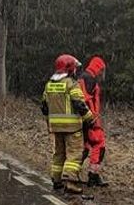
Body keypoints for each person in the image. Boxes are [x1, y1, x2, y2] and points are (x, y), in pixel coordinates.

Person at [41, 54, 94, 194]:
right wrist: (90, 118)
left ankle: (56, 180)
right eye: (74, 68)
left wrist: (49, 122)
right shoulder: (71, 84)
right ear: (70, 69)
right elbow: (79, 104)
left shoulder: (49, 85)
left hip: (55, 127)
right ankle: (70, 181)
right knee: (74, 154)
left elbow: (44, 107)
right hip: (72, 128)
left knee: (59, 154)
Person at [79, 56, 108, 186]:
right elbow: (86, 99)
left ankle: (70, 173)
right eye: (102, 71)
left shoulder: (83, 77)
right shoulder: (89, 79)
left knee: (85, 147)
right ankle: (93, 176)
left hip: (83, 118)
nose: (102, 74)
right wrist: (91, 118)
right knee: (99, 144)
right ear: (98, 69)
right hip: (90, 119)